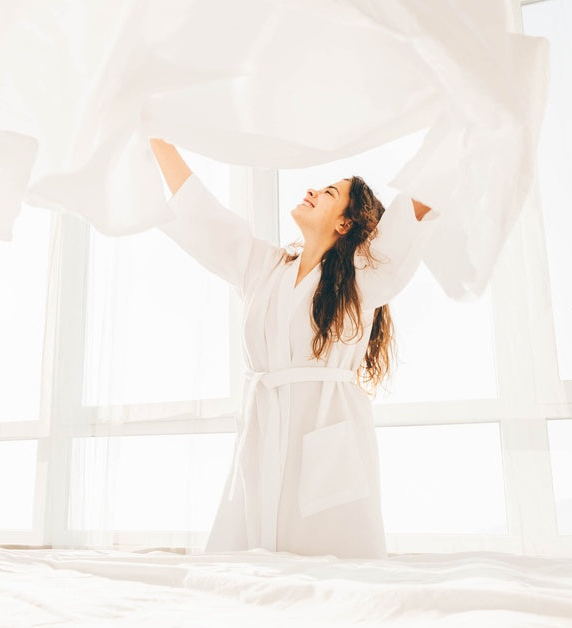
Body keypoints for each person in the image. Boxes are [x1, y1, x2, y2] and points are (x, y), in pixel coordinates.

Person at [149, 138, 436, 558]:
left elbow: (418, 203)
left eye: (328, 194)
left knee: (332, 576)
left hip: (328, 446)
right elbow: (201, 213)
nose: (311, 192)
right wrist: (157, 139)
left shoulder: (363, 278)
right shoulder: (263, 267)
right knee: (244, 574)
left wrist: (456, 127)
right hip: (261, 436)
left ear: (344, 224)